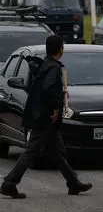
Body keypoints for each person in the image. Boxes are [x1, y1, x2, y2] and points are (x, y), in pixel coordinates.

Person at [0, 35, 93, 199]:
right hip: (45, 118)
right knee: (31, 151)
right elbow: (49, 89)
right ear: (60, 50)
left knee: (58, 152)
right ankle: (9, 183)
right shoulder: (53, 69)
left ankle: (73, 183)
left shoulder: (46, 65)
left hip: (42, 116)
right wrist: (55, 108)